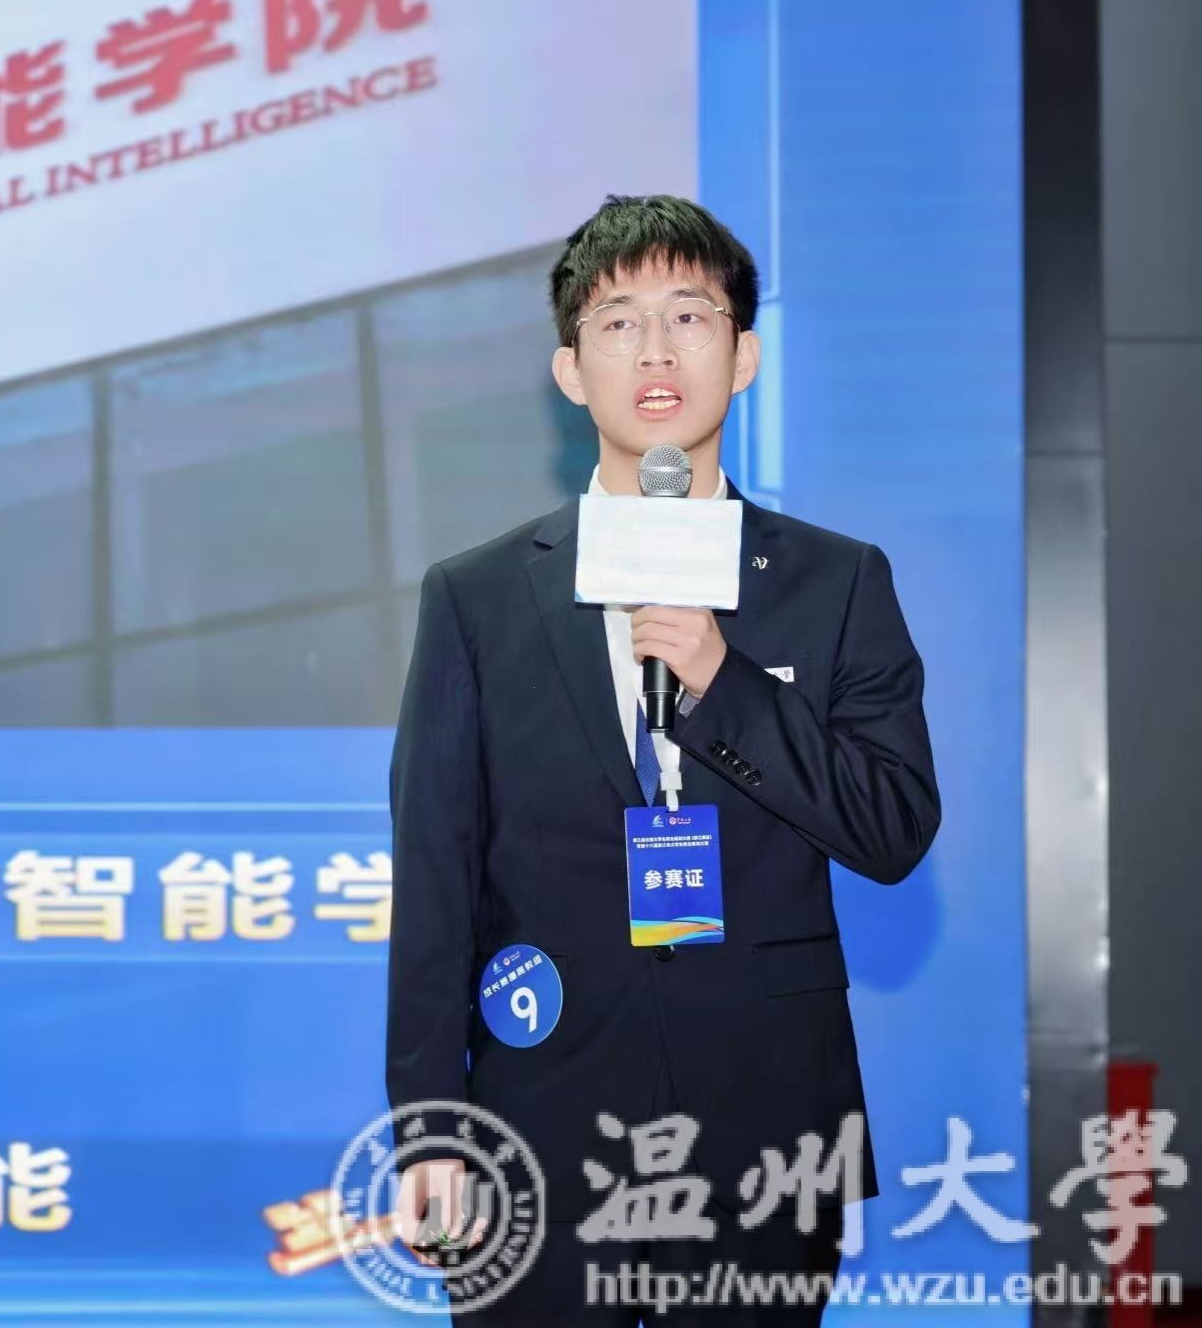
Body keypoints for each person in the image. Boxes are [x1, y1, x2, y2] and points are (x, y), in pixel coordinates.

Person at [384, 194, 940, 1324]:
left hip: (769, 1123)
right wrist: (431, 1125)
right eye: (617, 322)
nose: (655, 351)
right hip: (538, 1124)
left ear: (744, 357)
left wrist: (724, 681)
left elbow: (891, 827)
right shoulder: (478, 597)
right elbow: (436, 875)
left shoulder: (837, 582)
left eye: (689, 316)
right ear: (569, 371)